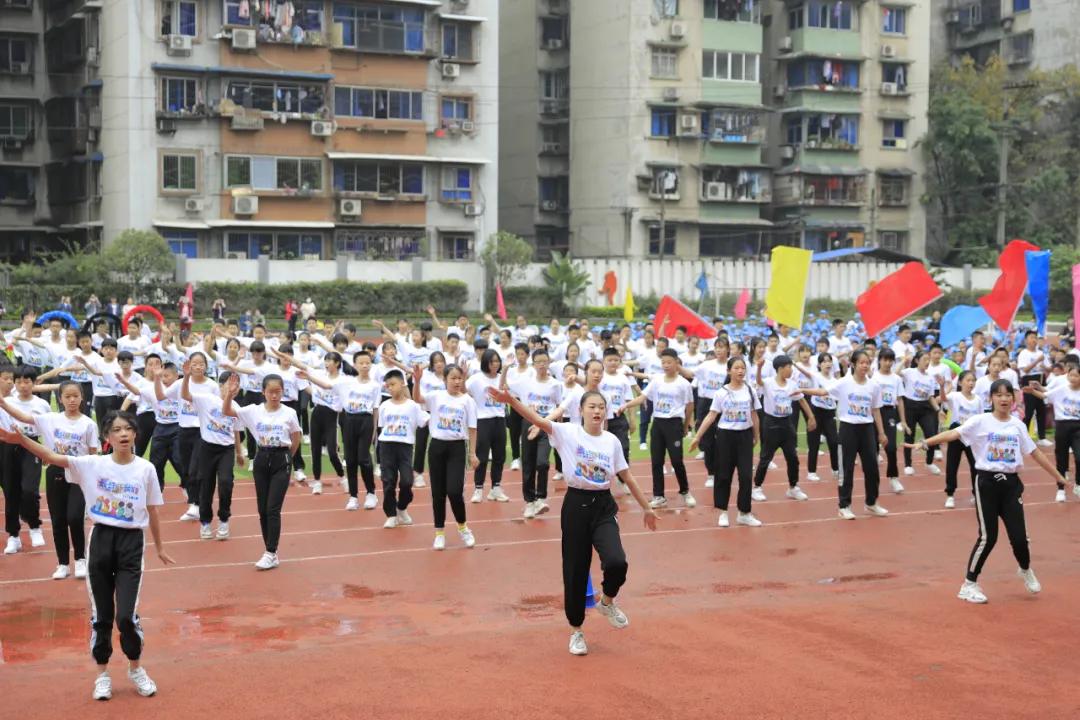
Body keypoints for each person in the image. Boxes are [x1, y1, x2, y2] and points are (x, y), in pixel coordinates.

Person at [0, 410, 175, 700]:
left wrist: (159, 547)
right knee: (102, 615)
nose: (122, 434)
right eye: (116, 430)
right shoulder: (92, 464)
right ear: (106, 437)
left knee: (126, 617)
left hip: (132, 542)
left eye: (127, 429)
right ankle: (103, 675)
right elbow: (54, 457)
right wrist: (21, 440)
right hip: (102, 540)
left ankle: (135, 668)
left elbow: (153, 510)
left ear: (135, 434)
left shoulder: (146, 469)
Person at [486, 384, 658, 656]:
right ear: (581, 411)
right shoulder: (567, 432)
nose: (597, 411)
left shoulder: (611, 441)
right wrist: (511, 401)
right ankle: (576, 631)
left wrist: (647, 508)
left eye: (601, 407)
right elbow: (537, 419)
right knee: (576, 571)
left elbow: (627, 476)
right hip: (576, 505)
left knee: (617, 561)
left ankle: (607, 601)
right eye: (592, 407)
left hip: (603, 506)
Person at [912, 379, 1065, 604]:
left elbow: (1035, 453)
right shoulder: (980, 421)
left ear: (1013, 400)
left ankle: (1025, 569)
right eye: (999, 395)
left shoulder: (1018, 425)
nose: (1003, 399)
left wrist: (1058, 476)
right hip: (986, 484)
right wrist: (926, 442)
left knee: (1020, 539)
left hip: (1011, 485)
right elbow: (954, 434)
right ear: (990, 398)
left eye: (1007, 395)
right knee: (988, 537)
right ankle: (969, 584)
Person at [0, 380, 99, 578]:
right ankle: (63, 563)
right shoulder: (50, 418)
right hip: (55, 472)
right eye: (67, 396)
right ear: (60, 399)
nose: (72, 400)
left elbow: (93, 455)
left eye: (76, 396)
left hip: (79, 474)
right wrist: (3, 403)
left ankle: (80, 559)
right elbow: (24, 417)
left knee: (74, 517)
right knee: (58, 520)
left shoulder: (88, 424)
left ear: (82, 398)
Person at [796, 350, 890, 520]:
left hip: (867, 429)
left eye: (867, 362)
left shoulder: (873, 386)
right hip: (848, 429)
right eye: (861, 362)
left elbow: (876, 410)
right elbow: (823, 392)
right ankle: (844, 505)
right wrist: (801, 390)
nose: (865, 365)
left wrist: (881, 433)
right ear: (853, 364)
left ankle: (871, 502)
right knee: (846, 469)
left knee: (872, 468)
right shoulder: (844, 383)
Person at [222, 373, 301, 570]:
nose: (275, 396)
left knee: (273, 509)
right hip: (261, 459)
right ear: (263, 392)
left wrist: (287, 457)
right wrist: (230, 395)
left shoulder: (289, 412)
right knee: (262, 510)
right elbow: (227, 412)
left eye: (278, 392)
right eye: (271, 392)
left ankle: (270, 552)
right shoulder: (253, 411)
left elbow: (296, 436)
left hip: (281, 460)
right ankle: (270, 551)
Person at [413, 363, 479, 550]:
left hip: (457, 448)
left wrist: (472, 453)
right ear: (445, 380)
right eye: (453, 378)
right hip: (437, 447)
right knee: (438, 493)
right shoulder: (436, 396)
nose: (457, 381)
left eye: (460, 378)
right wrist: (417, 381)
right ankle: (439, 532)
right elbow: (417, 398)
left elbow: (473, 429)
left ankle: (463, 527)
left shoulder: (467, 401)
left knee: (455, 491)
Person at [619, 348, 695, 509]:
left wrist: (686, 424)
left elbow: (689, 405)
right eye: (663, 362)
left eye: (669, 362)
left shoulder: (683, 384)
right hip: (658, 423)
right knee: (656, 461)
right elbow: (643, 397)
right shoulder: (657, 380)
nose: (666, 365)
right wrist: (626, 405)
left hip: (674, 423)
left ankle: (685, 491)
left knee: (676, 460)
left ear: (676, 363)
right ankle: (659, 496)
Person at [689, 356, 760, 527]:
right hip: (725, 437)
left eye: (743, 368)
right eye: (736, 368)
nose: (740, 371)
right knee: (723, 476)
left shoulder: (750, 390)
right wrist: (697, 436)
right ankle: (723, 512)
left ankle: (744, 513)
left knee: (745, 476)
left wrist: (757, 435)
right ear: (729, 371)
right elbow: (711, 415)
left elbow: (754, 415)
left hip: (744, 437)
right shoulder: (721, 392)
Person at [750, 354, 822, 507]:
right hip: (771, 424)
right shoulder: (769, 383)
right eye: (789, 367)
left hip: (787, 424)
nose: (791, 370)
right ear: (781, 369)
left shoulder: (792, 384)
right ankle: (756, 487)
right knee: (765, 458)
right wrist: (759, 368)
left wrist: (811, 417)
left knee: (792, 458)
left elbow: (801, 400)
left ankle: (793, 487)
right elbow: (759, 382)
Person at [182, 365, 244, 540]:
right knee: (206, 486)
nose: (234, 388)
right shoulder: (206, 399)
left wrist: (239, 453)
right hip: (207, 448)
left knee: (225, 483)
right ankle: (206, 522)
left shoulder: (237, 407)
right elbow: (185, 395)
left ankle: (224, 520)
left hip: (226, 450)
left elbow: (236, 431)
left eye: (237, 385)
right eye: (230, 384)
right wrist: (186, 377)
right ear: (221, 385)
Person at [505, 347, 564, 519]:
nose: (541, 365)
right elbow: (505, 386)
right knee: (528, 464)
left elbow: (559, 407)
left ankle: (541, 497)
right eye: (538, 362)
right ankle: (530, 501)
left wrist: (558, 432)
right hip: (528, 424)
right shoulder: (526, 382)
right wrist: (506, 368)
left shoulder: (555, 384)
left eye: (544, 361)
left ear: (548, 363)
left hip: (546, 425)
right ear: (534, 364)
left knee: (543, 463)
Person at [376, 370, 429, 528]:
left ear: (402, 384)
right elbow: (381, 427)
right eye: (387, 386)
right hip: (386, 446)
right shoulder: (384, 406)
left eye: (393, 384)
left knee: (407, 481)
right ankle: (391, 515)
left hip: (405, 447)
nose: (390, 388)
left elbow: (425, 421)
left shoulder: (412, 406)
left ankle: (401, 508)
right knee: (388, 481)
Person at [1022, 364, 1080, 504]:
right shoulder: (1062, 389)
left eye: (1076, 376)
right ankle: (1060, 489)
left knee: (1079, 456)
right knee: (1061, 459)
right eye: (1070, 375)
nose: (1072, 378)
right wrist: (1032, 391)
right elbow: (1044, 395)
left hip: (1078, 427)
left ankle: (1078, 484)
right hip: (1062, 426)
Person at [465, 348, 510, 503]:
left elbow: (504, 389)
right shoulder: (477, 378)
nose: (495, 364)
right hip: (483, 420)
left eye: (497, 361)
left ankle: (496, 488)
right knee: (482, 456)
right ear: (485, 362)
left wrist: (504, 371)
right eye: (492, 361)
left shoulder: (501, 377)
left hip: (499, 419)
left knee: (499, 456)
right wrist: (464, 376)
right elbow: (464, 390)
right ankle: (478, 488)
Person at [939, 370, 981, 508]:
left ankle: (977, 494)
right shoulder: (955, 396)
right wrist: (941, 387)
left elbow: (981, 419)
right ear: (961, 382)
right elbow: (943, 399)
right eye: (968, 380)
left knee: (976, 466)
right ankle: (950, 495)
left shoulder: (978, 399)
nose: (971, 383)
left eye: (973, 380)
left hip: (972, 435)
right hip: (956, 432)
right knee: (952, 465)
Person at [805, 352, 839, 484]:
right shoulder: (815, 376)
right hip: (816, 412)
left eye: (829, 361)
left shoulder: (835, 381)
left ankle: (835, 469)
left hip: (830, 414)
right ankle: (811, 472)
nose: (827, 364)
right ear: (819, 364)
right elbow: (805, 371)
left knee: (834, 442)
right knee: (813, 443)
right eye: (824, 361)